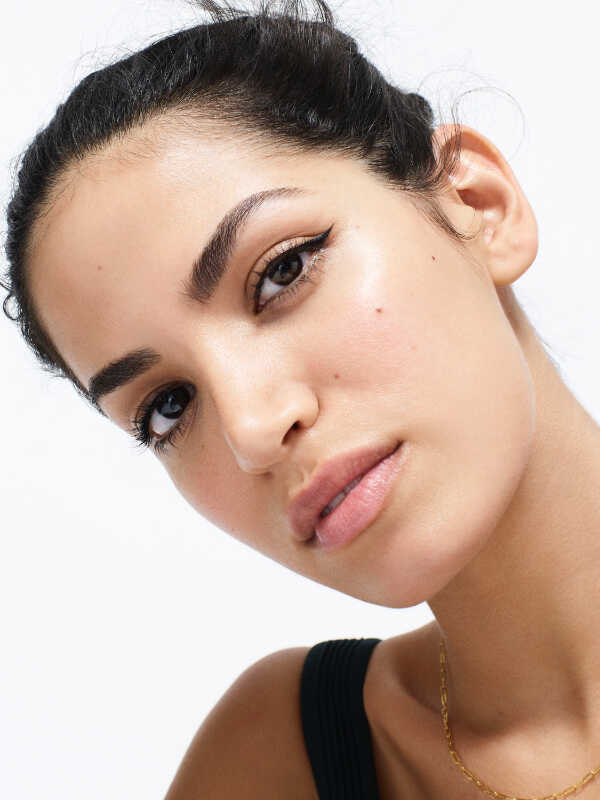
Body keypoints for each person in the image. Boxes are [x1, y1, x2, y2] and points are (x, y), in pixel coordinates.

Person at [3, 0, 600, 797]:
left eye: (282, 271)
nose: (252, 429)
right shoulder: (281, 756)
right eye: (168, 406)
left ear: (478, 205)